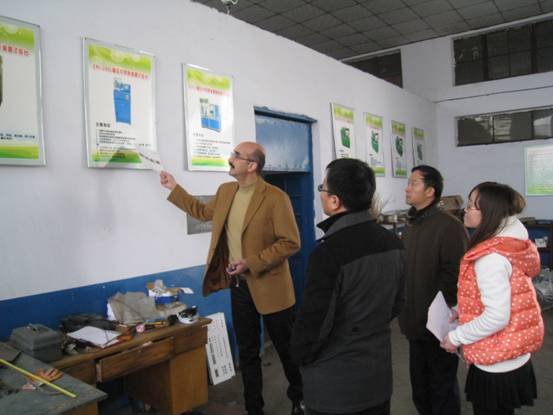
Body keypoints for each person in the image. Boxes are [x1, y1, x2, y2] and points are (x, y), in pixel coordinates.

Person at [160, 141, 304, 415]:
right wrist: (174, 187)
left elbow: (290, 242)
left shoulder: (276, 197)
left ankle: (300, 399)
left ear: (252, 166)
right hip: (240, 286)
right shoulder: (226, 191)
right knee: (248, 352)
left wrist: (251, 262)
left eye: (236, 155)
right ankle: (254, 409)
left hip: (272, 287)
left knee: (287, 350)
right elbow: (202, 212)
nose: (230, 158)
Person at [290, 158, 406, 415]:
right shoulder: (393, 243)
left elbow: (314, 324)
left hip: (335, 388)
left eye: (322, 188)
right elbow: (397, 303)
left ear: (334, 201)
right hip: (377, 378)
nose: (321, 193)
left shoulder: (329, 253)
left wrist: (299, 356)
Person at [441, 182, 544, 415]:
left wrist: (456, 337)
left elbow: (497, 316)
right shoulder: (510, 245)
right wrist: (459, 309)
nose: (465, 210)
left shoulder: (491, 258)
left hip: (496, 361)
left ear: (489, 213)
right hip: (511, 351)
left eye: (471, 206)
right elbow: (497, 295)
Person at [399, 165, 469, 415]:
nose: (407, 188)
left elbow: (456, 275)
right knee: (420, 387)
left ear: (430, 191)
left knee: (441, 387)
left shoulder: (450, 226)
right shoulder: (411, 225)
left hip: (437, 325)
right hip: (413, 322)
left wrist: (436, 313)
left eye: (413, 183)